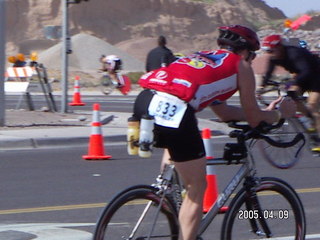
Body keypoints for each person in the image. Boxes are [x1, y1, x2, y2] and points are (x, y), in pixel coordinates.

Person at [131, 25, 296, 240]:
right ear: (245, 51)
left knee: (178, 167)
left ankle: (168, 199)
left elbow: (224, 112)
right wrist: (278, 114)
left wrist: (261, 112)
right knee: (197, 186)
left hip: (145, 100)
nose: (251, 59)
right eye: (252, 55)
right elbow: (255, 118)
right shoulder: (241, 66)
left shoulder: (205, 58)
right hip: (175, 110)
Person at [259, 34, 320, 151]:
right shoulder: (274, 57)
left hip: (316, 76)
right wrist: (262, 86)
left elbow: (306, 71)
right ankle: (310, 119)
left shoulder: (294, 53)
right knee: (292, 99)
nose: (270, 54)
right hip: (302, 77)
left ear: (279, 47)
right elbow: (269, 72)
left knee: (312, 106)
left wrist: (290, 83)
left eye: (271, 50)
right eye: (268, 51)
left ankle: (318, 138)